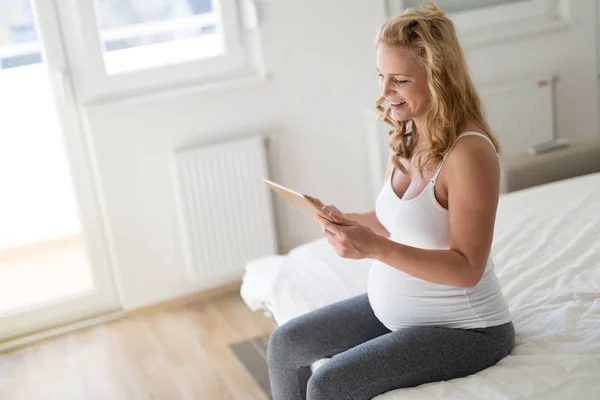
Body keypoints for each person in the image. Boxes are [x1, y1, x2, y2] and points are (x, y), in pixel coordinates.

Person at [266, 4, 515, 400]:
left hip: (465, 330)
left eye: (399, 80)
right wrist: (343, 220)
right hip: (398, 314)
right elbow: (394, 220)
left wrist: (375, 249)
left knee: (328, 383)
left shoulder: (469, 154)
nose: (384, 92)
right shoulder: (409, 132)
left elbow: (468, 269)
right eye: (381, 76)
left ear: (440, 80)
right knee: (286, 346)